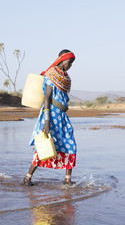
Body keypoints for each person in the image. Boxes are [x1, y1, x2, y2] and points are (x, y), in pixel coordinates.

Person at [24, 49, 77, 186]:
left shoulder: (65, 78)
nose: (70, 66)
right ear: (62, 59)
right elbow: (47, 97)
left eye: (72, 64)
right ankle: (28, 177)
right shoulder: (51, 75)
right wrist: (47, 120)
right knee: (45, 146)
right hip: (51, 115)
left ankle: (67, 180)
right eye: (69, 62)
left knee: (70, 144)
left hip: (62, 116)